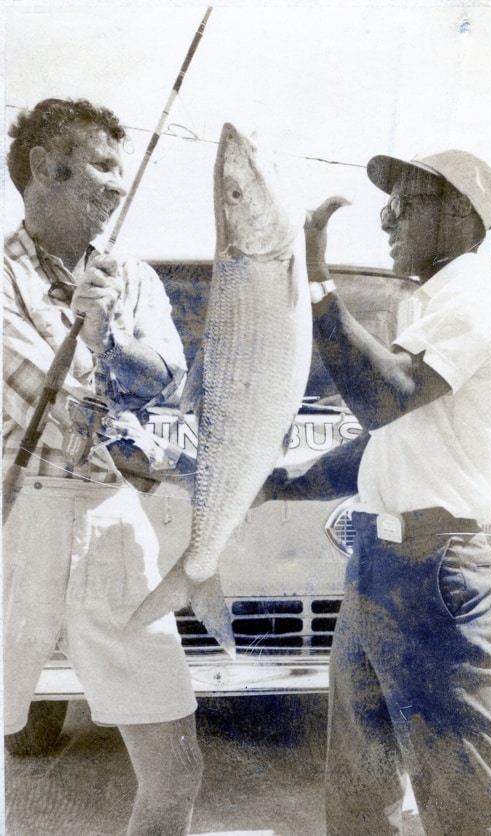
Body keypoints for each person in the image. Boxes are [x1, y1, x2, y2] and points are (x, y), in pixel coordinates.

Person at [262, 149, 491, 834]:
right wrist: (278, 485)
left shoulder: (478, 295)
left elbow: (387, 397)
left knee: (463, 800)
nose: (388, 222)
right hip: (378, 565)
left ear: (462, 215)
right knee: (358, 792)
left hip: (435, 568)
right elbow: (381, 446)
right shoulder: (433, 307)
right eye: (386, 208)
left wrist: (318, 282)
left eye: (404, 205)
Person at [3, 98, 203, 835]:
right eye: (104, 166)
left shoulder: (136, 278)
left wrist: (101, 337)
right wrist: (117, 371)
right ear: (43, 169)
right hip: (17, 514)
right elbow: (57, 404)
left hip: (115, 517)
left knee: (176, 770)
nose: (119, 186)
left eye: (124, 169)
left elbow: (170, 383)